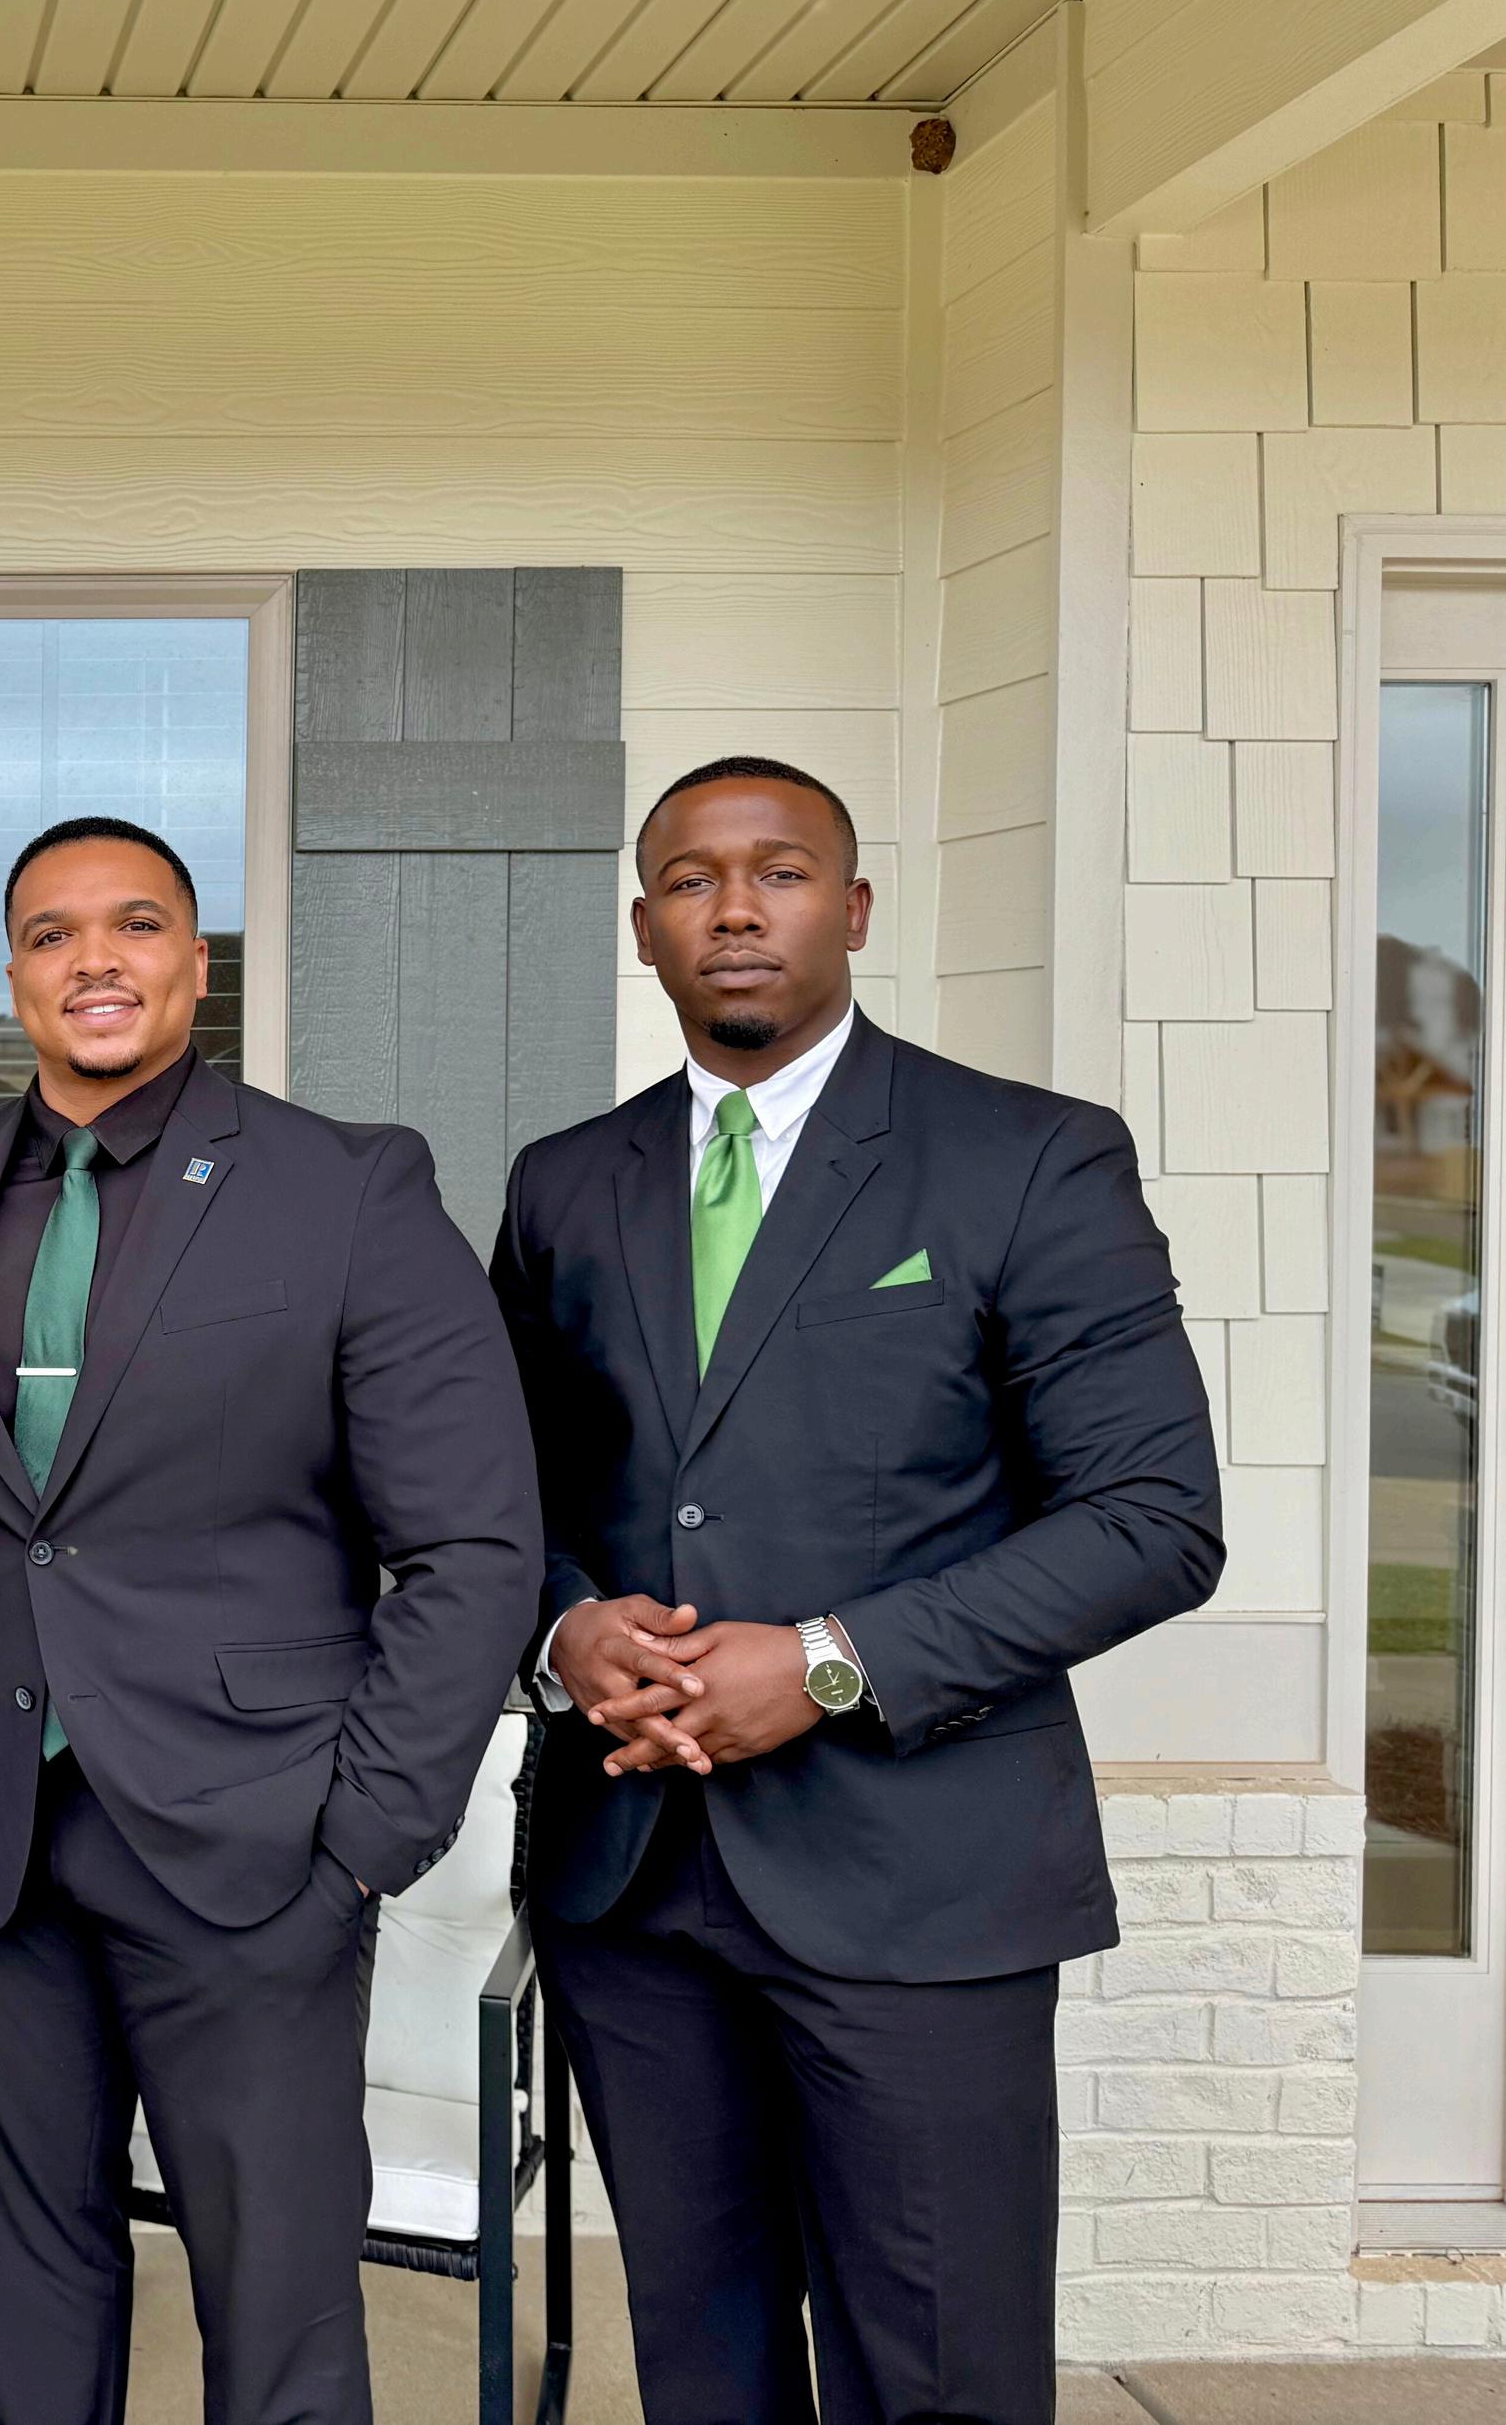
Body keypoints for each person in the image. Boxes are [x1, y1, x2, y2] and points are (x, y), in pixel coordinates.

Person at [490, 755, 1225, 2425]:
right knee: (706, 2372)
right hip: (633, 1880)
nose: (736, 909)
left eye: (781, 872)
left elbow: (1154, 1518)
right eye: (692, 881)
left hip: (921, 1878)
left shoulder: (1026, 1157)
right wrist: (564, 1625)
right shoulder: (564, 1183)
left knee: (941, 2378)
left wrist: (829, 1661)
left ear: (856, 908)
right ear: (645, 928)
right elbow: (504, 1497)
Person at [0, 817, 542, 2425]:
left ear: (198, 963)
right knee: (22, 2312)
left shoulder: (345, 1186)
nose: (95, 960)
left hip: (258, 1848)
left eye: (135, 925)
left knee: (278, 2327)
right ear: (15, 974)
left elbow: (474, 1545)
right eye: (53, 933)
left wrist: (365, 1838)